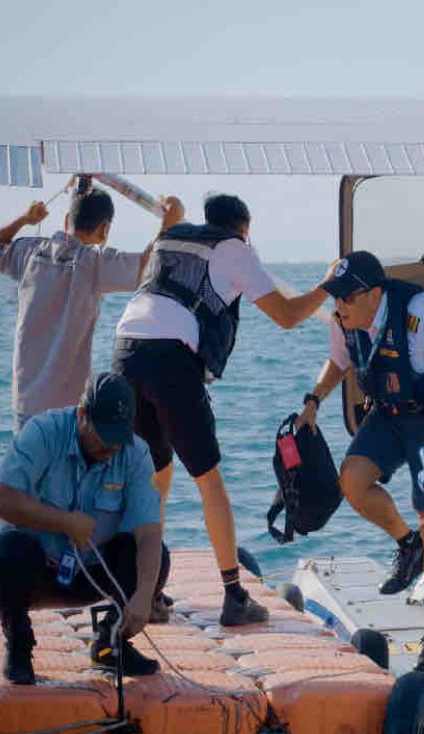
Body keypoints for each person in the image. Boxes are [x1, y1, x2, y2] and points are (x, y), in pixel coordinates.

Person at [113, 194, 330, 627]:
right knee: (208, 480)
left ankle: (145, 592)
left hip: (124, 353)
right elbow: (287, 315)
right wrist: (327, 286)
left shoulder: (171, 238)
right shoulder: (234, 248)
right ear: (244, 229)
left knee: (155, 478)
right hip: (170, 361)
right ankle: (234, 596)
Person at [0, 184, 182, 603]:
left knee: (22, 482)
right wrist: (168, 225)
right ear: (104, 229)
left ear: (65, 221)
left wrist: (24, 220)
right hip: (71, 404)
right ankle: (74, 571)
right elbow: (147, 267)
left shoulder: (30, 251)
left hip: (27, 393)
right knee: (67, 485)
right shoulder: (95, 262)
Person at [297, 251, 424, 674]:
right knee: (352, 482)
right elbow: (340, 362)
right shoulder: (344, 322)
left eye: (346, 297)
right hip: (388, 414)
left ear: (374, 294)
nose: (339, 306)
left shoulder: (421, 312)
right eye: (335, 298)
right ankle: (406, 543)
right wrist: (313, 401)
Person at [0, 373, 170, 685]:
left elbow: (149, 531)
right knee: (4, 554)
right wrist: (64, 522)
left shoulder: (136, 453)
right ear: (82, 415)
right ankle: (18, 646)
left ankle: (112, 644)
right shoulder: (42, 433)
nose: (112, 446)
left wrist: (144, 596)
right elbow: (0, 500)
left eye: (118, 436)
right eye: (104, 435)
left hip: (91, 570)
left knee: (156, 557)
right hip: (38, 567)